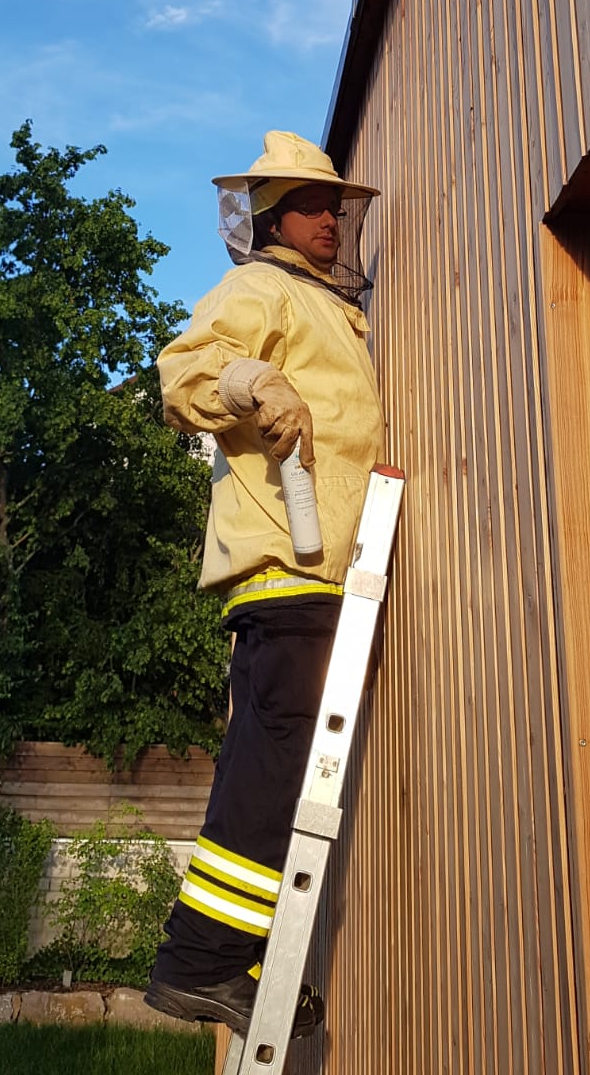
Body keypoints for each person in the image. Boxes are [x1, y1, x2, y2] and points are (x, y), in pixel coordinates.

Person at [143, 131, 385, 1038]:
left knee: (273, 765)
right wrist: (253, 383)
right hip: (288, 564)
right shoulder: (259, 289)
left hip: (322, 569)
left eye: (335, 207)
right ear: (273, 220)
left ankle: (235, 959)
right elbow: (184, 374)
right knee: (274, 762)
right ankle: (201, 963)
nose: (329, 220)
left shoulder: (328, 306)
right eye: (310, 207)